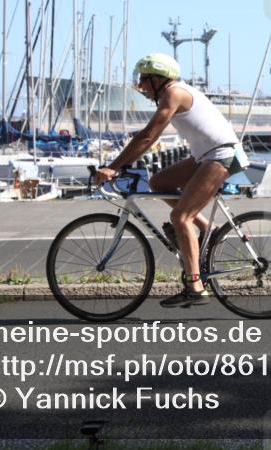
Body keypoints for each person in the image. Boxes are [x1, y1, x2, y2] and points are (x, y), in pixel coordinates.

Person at [95, 53, 246, 308]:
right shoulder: (173, 92)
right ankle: (209, 229)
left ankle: (195, 285)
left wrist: (113, 167)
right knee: (158, 183)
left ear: (158, 78)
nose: (140, 85)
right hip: (207, 154)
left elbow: (148, 136)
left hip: (223, 155)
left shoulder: (173, 93)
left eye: (144, 79)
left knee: (180, 218)